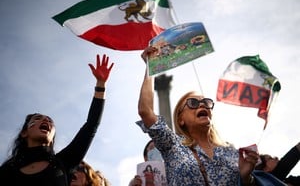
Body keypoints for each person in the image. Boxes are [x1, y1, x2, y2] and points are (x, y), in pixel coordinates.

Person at [136, 46, 260, 185]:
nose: (202, 105)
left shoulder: (230, 151)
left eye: (206, 102)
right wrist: (151, 66)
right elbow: (145, 111)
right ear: (180, 119)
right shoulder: (173, 145)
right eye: (193, 103)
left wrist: (245, 177)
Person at [0, 54, 114, 186]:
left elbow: (91, 125)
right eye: (37, 118)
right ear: (24, 132)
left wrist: (101, 84)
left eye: (50, 121)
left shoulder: (64, 161)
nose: (46, 121)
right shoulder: (7, 170)